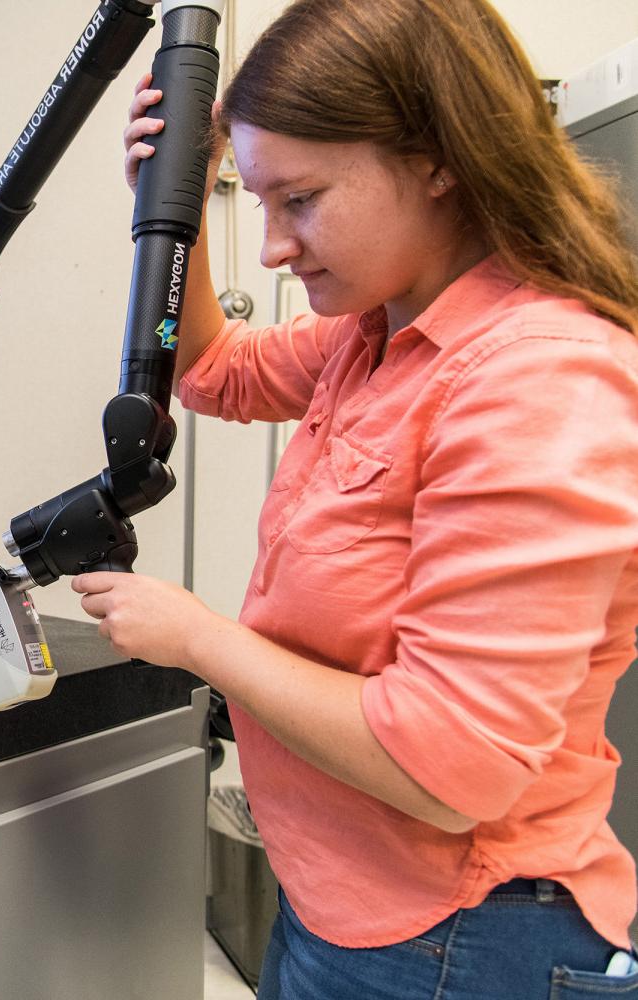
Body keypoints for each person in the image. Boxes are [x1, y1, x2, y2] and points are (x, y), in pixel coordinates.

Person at [76, 0, 638, 996]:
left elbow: (448, 769)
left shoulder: (538, 380)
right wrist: (176, 199)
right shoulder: (376, 331)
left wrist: (199, 636)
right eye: (257, 200)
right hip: (350, 909)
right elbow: (209, 369)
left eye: (301, 199)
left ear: (437, 159)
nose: (274, 249)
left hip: (462, 941)